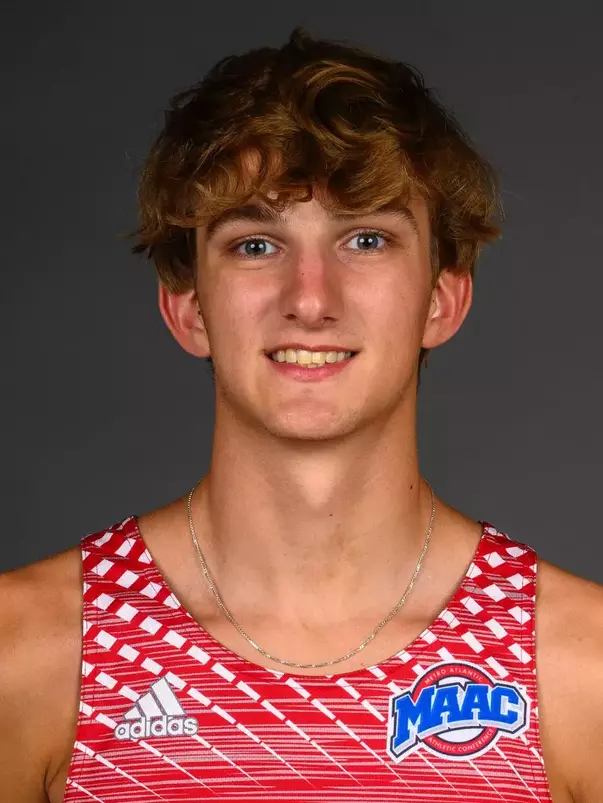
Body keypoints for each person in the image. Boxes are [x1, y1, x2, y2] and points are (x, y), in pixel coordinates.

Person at [1, 26, 601, 803]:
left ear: (442, 299)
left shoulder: (577, 668)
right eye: (255, 245)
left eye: (366, 237)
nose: (310, 298)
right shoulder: (33, 654)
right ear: (187, 308)